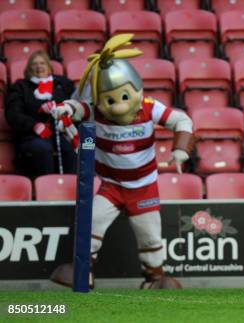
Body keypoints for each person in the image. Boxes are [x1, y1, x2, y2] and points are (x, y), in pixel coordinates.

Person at [48, 34, 193, 289]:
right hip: (111, 185)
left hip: (144, 186)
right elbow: (77, 107)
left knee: (149, 235)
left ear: (137, 89)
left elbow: (182, 120)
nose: (117, 107)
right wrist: (66, 109)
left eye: (124, 98)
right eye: (110, 101)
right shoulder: (94, 110)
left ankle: (155, 278)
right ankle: (82, 271)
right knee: (90, 224)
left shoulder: (150, 108)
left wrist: (181, 150)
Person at [4, 50, 77, 177]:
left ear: (49, 67)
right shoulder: (20, 87)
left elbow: (75, 102)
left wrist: (61, 107)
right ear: (28, 69)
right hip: (32, 135)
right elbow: (13, 113)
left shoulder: (61, 84)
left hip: (60, 132)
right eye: (34, 64)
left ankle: (71, 186)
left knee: (71, 148)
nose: (39, 67)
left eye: (42, 63)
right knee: (43, 148)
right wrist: (34, 125)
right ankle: (46, 187)